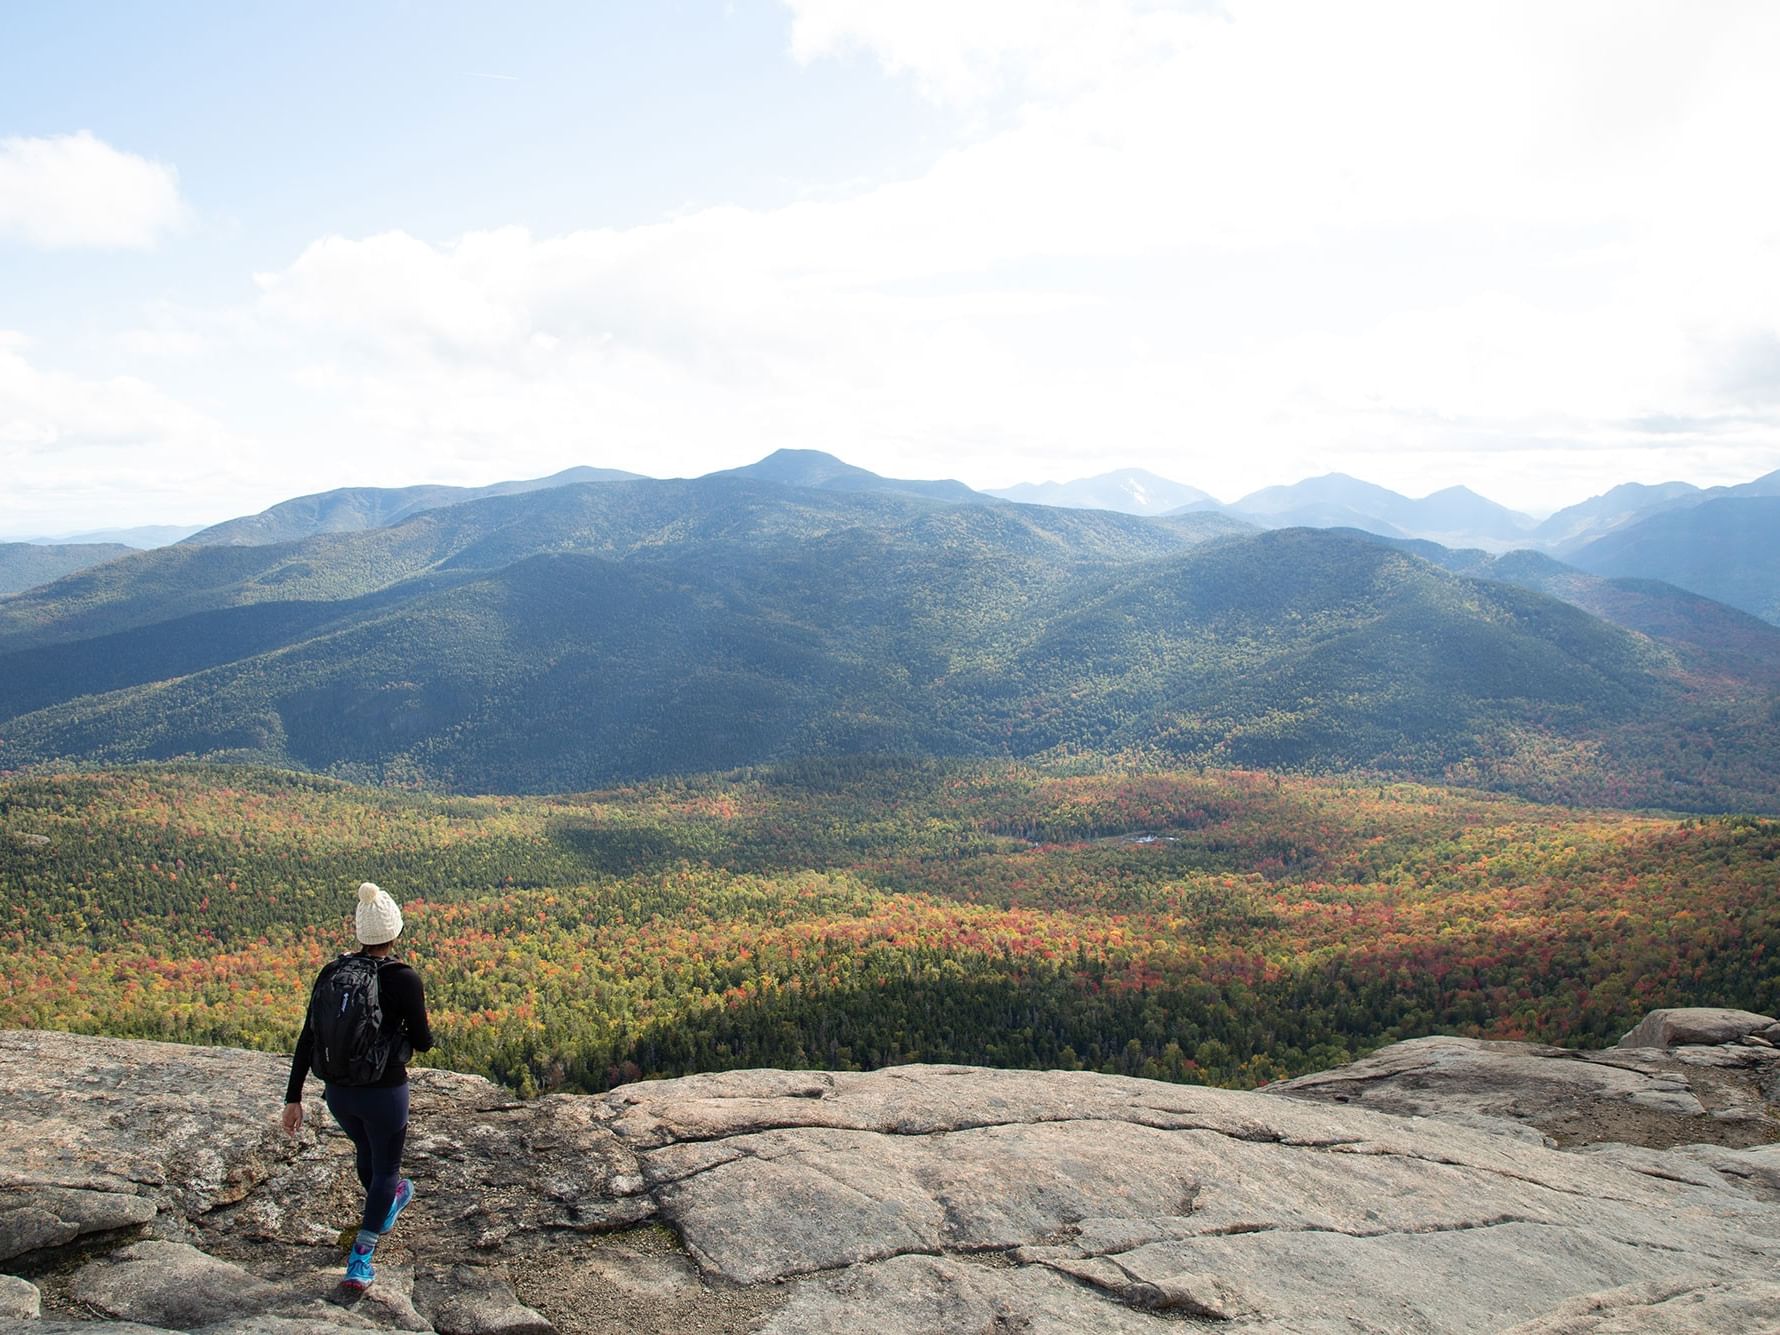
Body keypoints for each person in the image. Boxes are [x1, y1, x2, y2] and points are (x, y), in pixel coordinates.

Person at [281, 881, 433, 1293]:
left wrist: (293, 1098)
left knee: (367, 1151)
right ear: (395, 930)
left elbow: (308, 1036)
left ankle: (385, 1204)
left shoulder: (333, 972)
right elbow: (422, 1041)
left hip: (339, 1095)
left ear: (360, 933)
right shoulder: (404, 978)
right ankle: (361, 1257)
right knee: (386, 1169)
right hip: (385, 1093)